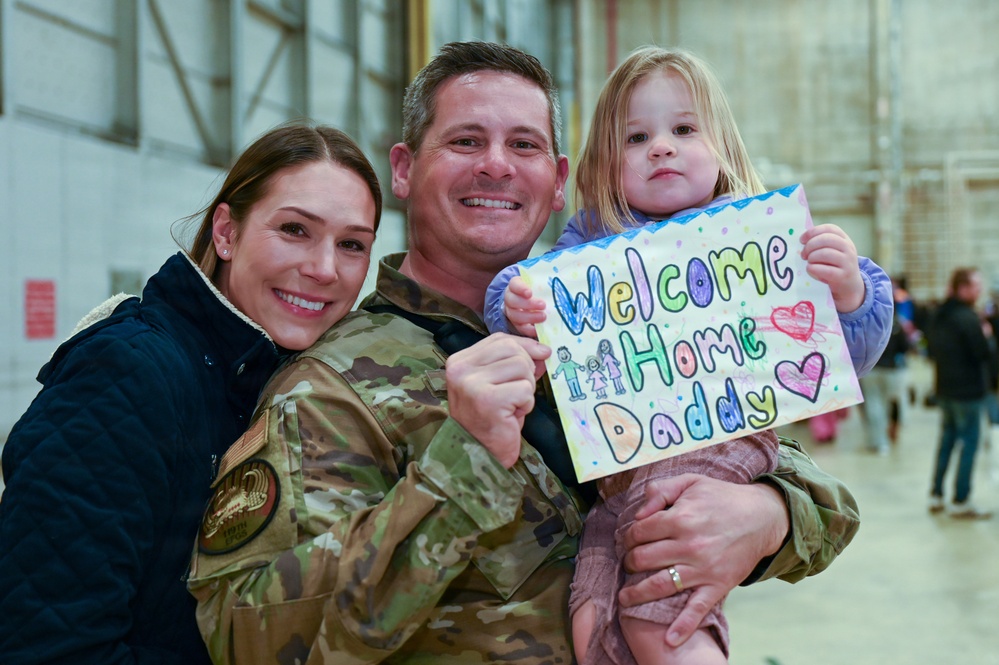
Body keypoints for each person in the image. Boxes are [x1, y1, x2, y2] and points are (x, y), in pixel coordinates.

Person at [188, 41, 862, 665]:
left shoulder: (607, 316)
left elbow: (816, 493)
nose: (496, 164)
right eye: (464, 140)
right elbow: (241, 631)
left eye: (524, 144)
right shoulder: (334, 385)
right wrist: (459, 467)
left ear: (559, 176)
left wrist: (764, 517)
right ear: (404, 167)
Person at [482, 46, 892, 664]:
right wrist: (512, 308)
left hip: (714, 438)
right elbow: (525, 293)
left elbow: (849, 355)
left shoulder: (760, 232)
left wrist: (851, 292)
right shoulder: (593, 237)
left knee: (656, 619)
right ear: (602, 163)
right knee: (591, 619)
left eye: (683, 129)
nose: (661, 147)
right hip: (618, 469)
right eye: (636, 137)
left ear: (721, 144)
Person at [0, 123, 382, 664]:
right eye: (295, 229)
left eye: (351, 245)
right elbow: (47, 646)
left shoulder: (280, 382)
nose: (323, 269)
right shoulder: (128, 373)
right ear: (226, 233)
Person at [927, 267, 993, 519]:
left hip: (945, 390)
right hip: (968, 393)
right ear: (963, 288)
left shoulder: (938, 316)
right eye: (976, 286)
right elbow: (982, 354)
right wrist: (986, 337)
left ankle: (936, 494)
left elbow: (931, 351)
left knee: (946, 443)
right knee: (969, 445)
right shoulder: (967, 318)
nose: (979, 291)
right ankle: (961, 500)